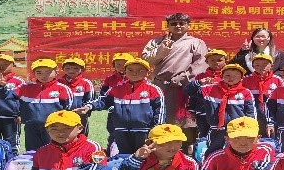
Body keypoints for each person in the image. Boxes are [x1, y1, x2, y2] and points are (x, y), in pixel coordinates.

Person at [141, 12, 208, 142]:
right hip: (160, 87)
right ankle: (160, 147)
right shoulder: (156, 42)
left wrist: (182, 78)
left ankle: (187, 148)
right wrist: (163, 49)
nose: (178, 26)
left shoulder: (196, 43)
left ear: (188, 25)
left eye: (182, 23)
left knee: (186, 122)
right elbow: (147, 60)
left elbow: (200, 65)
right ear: (168, 26)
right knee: (160, 119)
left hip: (185, 88)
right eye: (174, 24)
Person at [75, 58, 164, 154]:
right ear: (125, 71)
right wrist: (89, 106)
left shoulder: (153, 90)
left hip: (144, 132)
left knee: (144, 157)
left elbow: (160, 111)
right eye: (130, 70)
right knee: (123, 157)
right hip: (120, 132)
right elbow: (103, 100)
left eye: (140, 70)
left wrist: (156, 130)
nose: (134, 73)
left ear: (147, 72)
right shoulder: (116, 89)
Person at [0, 59, 72, 153]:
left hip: (53, 126)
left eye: (48, 72)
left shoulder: (62, 88)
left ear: (56, 72)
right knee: (32, 152)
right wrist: (1, 87)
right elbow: (6, 95)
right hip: (31, 125)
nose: (43, 75)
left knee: (53, 150)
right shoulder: (25, 87)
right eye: (39, 73)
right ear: (33, 74)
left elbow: (69, 108)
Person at [186, 63, 256, 156]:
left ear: (241, 78)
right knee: (213, 152)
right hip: (216, 129)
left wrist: (251, 129)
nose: (231, 78)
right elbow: (188, 91)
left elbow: (251, 113)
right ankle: (210, 165)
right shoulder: (210, 89)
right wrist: (199, 82)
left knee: (237, 152)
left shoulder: (245, 93)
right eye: (227, 75)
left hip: (237, 130)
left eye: (236, 76)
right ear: (222, 76)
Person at [241, 54, 283, 136]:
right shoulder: (246, 80)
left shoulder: (277, 80)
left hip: (272, 115)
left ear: (271, 65)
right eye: (257, 65)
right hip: (253, 115)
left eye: (265, 64)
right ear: (252, 66)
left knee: (272, 137)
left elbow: (281, 100)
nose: (261, 67)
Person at [100, 52, 132, 151]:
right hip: (114, 112)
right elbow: (103, 95)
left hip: (131, 111)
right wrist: (110, 106)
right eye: (118, 64)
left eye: (124, 64)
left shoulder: (134, 78)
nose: (121, 66)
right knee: (113, 132)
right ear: (113, 65)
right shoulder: (109, 79)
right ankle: (111, 153)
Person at [58, 57, 95, 136]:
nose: (71, 71)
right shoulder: (59, 82)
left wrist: (84, 110)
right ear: (63, 69)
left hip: (80, 115)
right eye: (67, 68)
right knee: (61, 135)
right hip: (62, 115)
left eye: (76, 68)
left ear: (82, 69)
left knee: (80, 135)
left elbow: (90, 100)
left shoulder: (86, 83)